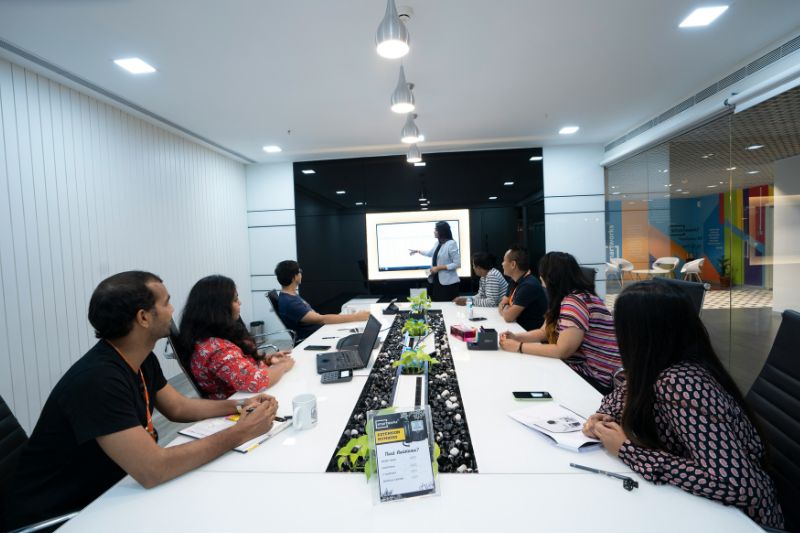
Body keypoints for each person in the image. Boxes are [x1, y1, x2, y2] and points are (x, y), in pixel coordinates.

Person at [2, 272, 278, 531]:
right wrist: (241, 432)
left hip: (116, 488)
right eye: (166, 302)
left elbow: (179, 407)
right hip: (65, 514)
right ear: (144, 317)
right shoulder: (97, 380)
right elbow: (153, 469)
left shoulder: (140, 357)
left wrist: (239, 405)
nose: (172, 310)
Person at [582, 281, 783, 528]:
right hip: (695, 506)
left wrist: (628, 450)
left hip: (739, 521)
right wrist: (603, 416)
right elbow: (624, 394)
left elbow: (737, 486)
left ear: (641, 335)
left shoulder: (680, 382)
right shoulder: (654, 365)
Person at [499, 252, 620, 393]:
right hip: (582, 369)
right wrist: (516, 337)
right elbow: (544, 332)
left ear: (551, 277)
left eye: (542, 273)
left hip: (596, 377)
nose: (540, 277)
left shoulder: (575, 302)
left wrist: (519, 347)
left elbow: (562, 350)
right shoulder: (566, 298)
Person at [179, 275, 295, 400]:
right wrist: (283, 366)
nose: (240, 303)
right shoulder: (216, 350)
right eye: (235, 300)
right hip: (241, 404)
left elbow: (238, 363)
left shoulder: (219, 334)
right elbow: (257, 381)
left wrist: (267, 360)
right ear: (218, 309)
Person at [274, 260, 370, 340]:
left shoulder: (290, 296)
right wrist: (356, 317)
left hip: (320, 332)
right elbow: (321, 319)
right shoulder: (290, 302)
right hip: (315, 337)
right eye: (299, 271)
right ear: (295, 277)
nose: (301, 273)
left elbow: (315, 316)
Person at [408, 221, 461, 302]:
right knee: (438, 303)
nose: (434, 232)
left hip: (448, 283)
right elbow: (430, 253)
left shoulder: (451, 244)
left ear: (442, 231)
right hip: (436, 280)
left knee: (446, 305)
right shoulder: (437, 243)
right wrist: (418, 251)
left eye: (436, 230)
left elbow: (457, 263)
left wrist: (439, 268)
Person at [497, 245, 547, 330]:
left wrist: (506, 308)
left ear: (513, 264)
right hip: (516, 327)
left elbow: (508, 317)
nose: (502, 264)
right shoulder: (514, 280)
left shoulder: (529, 285)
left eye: (504, 260)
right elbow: (502, 304)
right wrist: (506, 308)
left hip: (528, 332)